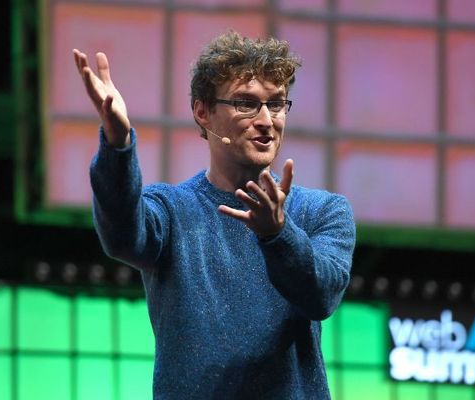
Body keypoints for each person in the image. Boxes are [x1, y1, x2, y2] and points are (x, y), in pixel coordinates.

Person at [73, 31, 355, 399]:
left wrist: (278, 235)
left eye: (277, 103)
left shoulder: (324, 211)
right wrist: (117, 142)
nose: (267, 120)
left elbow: (321, 297)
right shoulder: (172, 210)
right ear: (202, 111)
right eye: (246, 104)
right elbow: (122, 237)